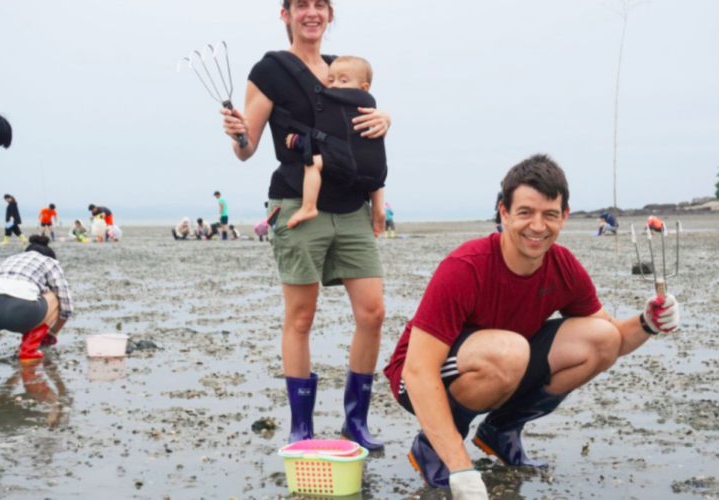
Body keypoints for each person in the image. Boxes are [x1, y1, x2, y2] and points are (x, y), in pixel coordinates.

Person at [383, 155, 681, 498]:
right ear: (504, 213)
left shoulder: (563, 265)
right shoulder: (466, 266)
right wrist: (461, 467)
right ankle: (434, 447)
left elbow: (613, 339)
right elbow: (418, 371)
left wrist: (649, 322)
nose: (537, 227)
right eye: (525, 213)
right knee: (509, 351)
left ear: (564, 217)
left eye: (549, 215)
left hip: (506, 363)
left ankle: (500, 430)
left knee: (600, 337)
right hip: (417, 377)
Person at [220, 0, 391, 451]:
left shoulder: (344, 69)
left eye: (320, 5)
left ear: (330, 14)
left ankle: (356, 421)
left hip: (352, 206)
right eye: (301, 6)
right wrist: (237, 131)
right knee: (300, 317)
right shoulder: (270, 70)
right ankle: (301, 426)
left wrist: (385, 117)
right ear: (286, 15)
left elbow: (363, 133)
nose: (311, 13)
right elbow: (247, 147)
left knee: (373, 313)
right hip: (298, 200)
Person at [283, 56, 385, 230]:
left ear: (364, 87)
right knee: (374, 175)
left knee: (313, 163)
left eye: (343, 80)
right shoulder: (370, 108)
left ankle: (309, 206)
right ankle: (378, 209)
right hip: (377, 170)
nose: (335, 85)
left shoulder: (337, 104)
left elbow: (324, 137)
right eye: (331, 80)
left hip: (349, 162)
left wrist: (298, 141)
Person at [0, 235, 73, 362]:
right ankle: (29, 349)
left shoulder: (11, 259)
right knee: (55, 296)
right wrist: (53, 333)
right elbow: (66, 305)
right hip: (23, 311)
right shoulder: (48, 261)